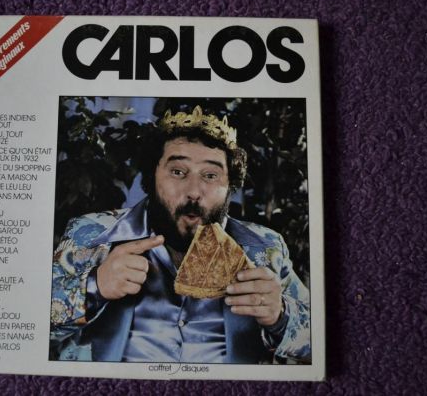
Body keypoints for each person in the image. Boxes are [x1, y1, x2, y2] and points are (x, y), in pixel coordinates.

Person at [49, 106, 310, 364]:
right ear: (151, 177)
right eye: (178, 172)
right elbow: (33, 326)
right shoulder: (92, 233)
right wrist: (94, 286)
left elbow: (318, 344)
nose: (194, 191)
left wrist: (280, 316)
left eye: (211, 175)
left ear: (230, 186)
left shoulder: (266, 248)